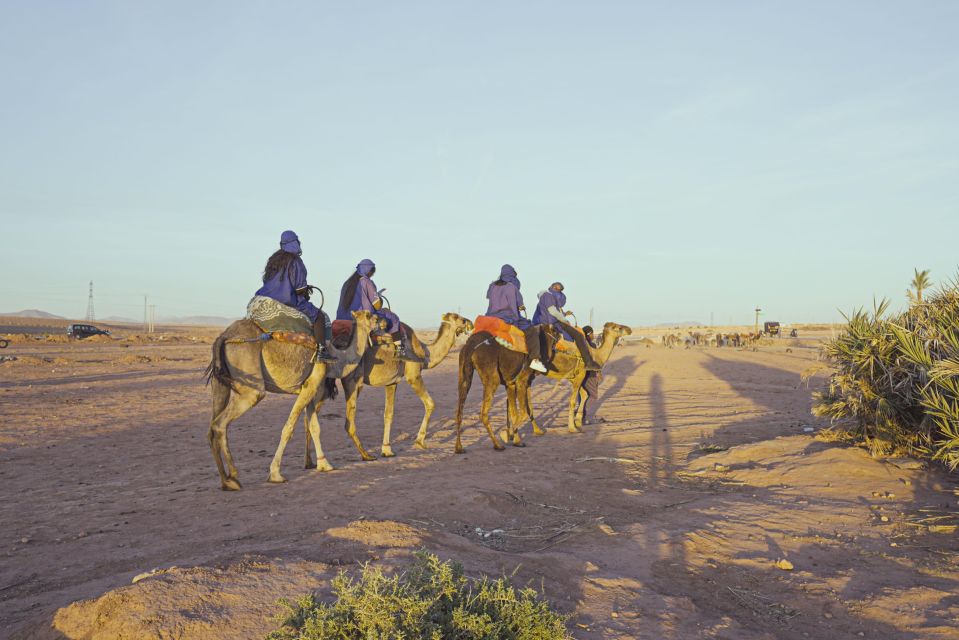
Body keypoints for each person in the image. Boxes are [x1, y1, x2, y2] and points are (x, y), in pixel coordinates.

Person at [255, 230, 335, 362]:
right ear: (296, 243)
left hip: (264, 299)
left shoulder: (273, 261)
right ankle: (321, 351)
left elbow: (267, 281)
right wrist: (306, 291)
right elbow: (300, 289)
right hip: (287, 301)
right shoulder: (296, 261)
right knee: (320, 317)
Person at [336, 259, 423, 363]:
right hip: (364, 316)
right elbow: (377, 305)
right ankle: (400, 349)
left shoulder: (348, 283)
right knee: (393, 318)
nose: (372, 275)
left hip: (343, 317)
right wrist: (379, 297)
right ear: (369, 271)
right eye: (372, 272)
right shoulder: (367, 282)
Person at [485, 264, 549, 373]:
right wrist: (521, 306)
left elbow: (488, 297)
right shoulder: (512, 286)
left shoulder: (492, 285)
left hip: (491, 318)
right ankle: (535, 359)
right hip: (508, 317)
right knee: (532, 331)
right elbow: (519, 304)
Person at [532, 282, 601, 371]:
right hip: (549, 323)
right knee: (579, 336)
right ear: (554, 287)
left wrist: (564, 314)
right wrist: (564, 320)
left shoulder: (546, 296)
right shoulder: (548, 296)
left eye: (560, 290)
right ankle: (588, 362)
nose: (559, 291)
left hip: (544, 322)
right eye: (558, 289)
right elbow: (552, 311)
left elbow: (550, 311)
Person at [576, 326, 602, 423]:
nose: (593, 335)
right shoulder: (592, 345)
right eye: (592, 333)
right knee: (593, 396)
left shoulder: (579, 345)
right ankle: (580, 411)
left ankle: (580, 415)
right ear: (589, 334)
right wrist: (598, 372)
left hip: (579, 374)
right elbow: (595, 360)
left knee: (582, 395)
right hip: (590, 374)